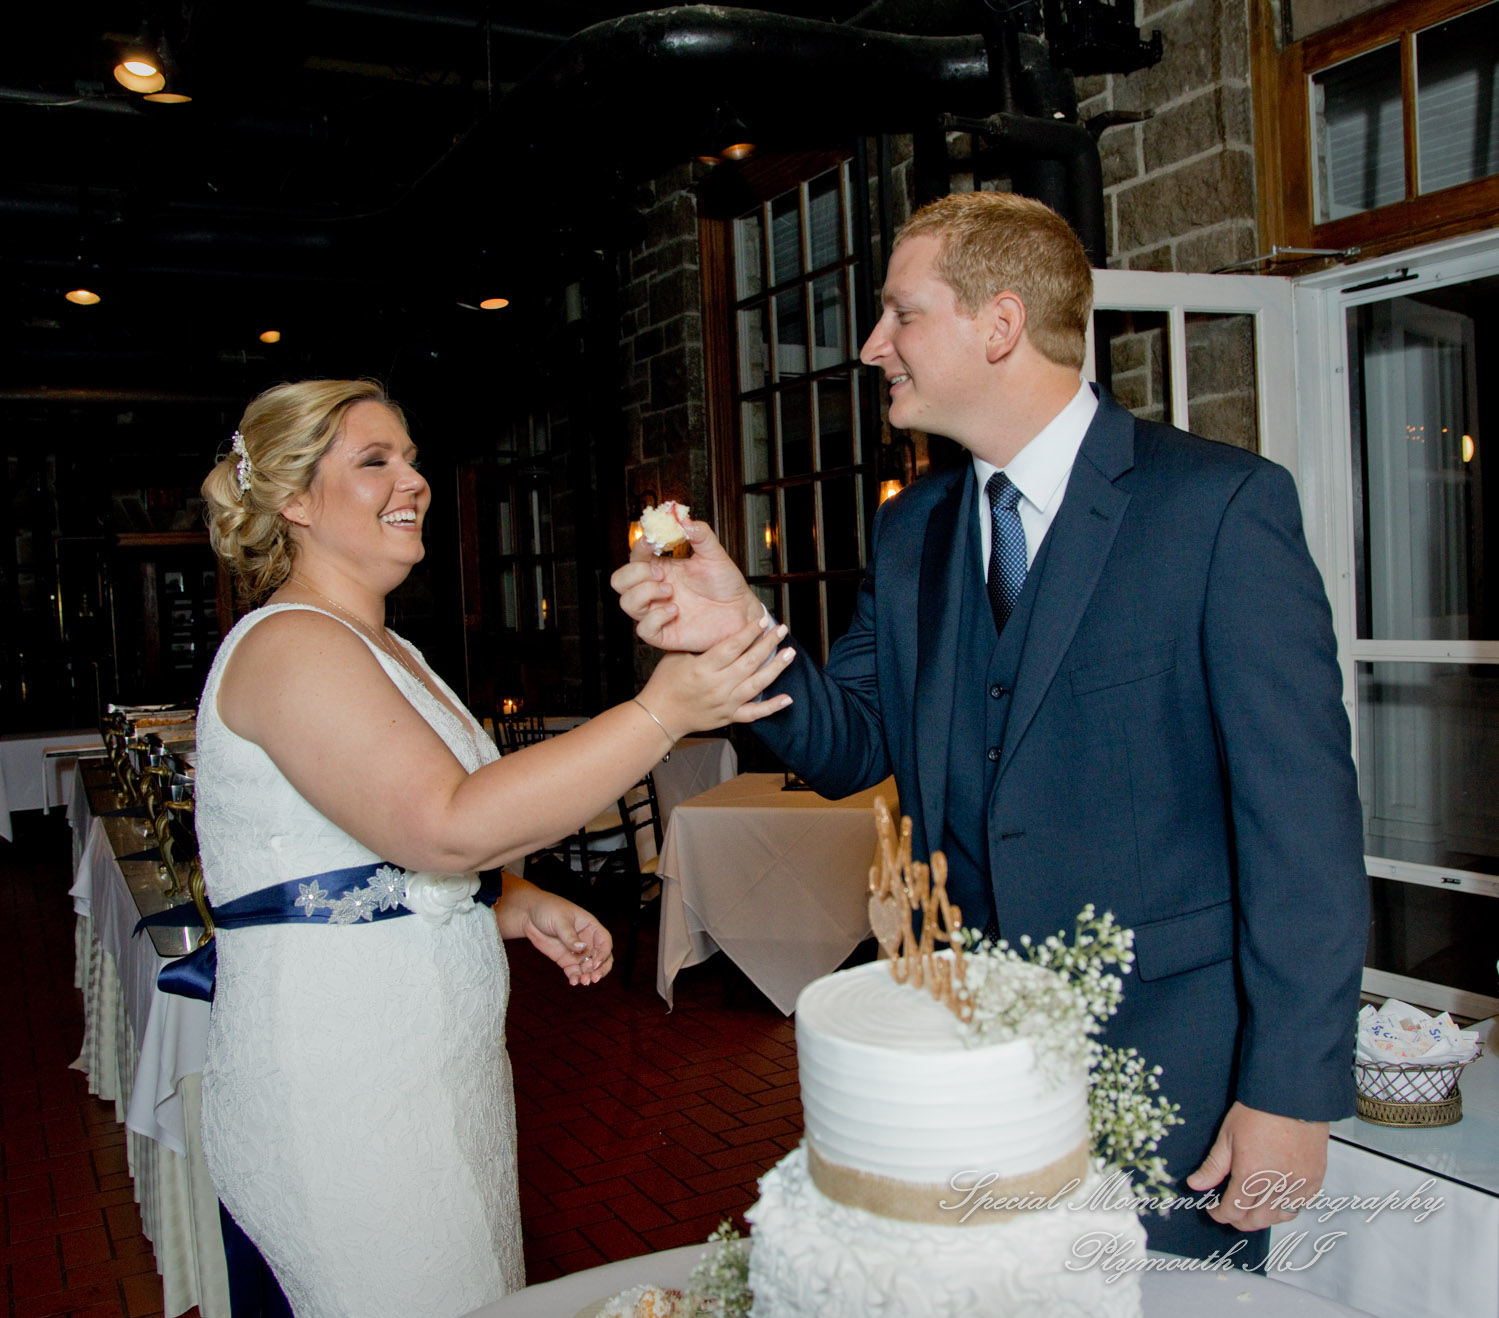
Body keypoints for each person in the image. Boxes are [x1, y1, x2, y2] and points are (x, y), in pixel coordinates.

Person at [612, 192, 1370, 1264]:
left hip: (1172, 1066)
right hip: (966, 1058)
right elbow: (849, 743)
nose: (873, 346)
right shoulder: (911, 527)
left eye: (899, 314)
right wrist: (736, 630)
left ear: (999, 324)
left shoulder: (1216, 509)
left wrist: (1289, 1091)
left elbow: (1302, 826)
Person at [196, 377, 795, 1318]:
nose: (414, 480)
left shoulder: (390, 650)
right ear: (292, 501)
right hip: (338, 1087)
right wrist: (658, 712)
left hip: (437, 1071)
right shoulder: (287, 645)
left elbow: (369, 850)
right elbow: (444, 822)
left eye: (412, 457)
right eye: (374, 460)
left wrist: (503, 901)